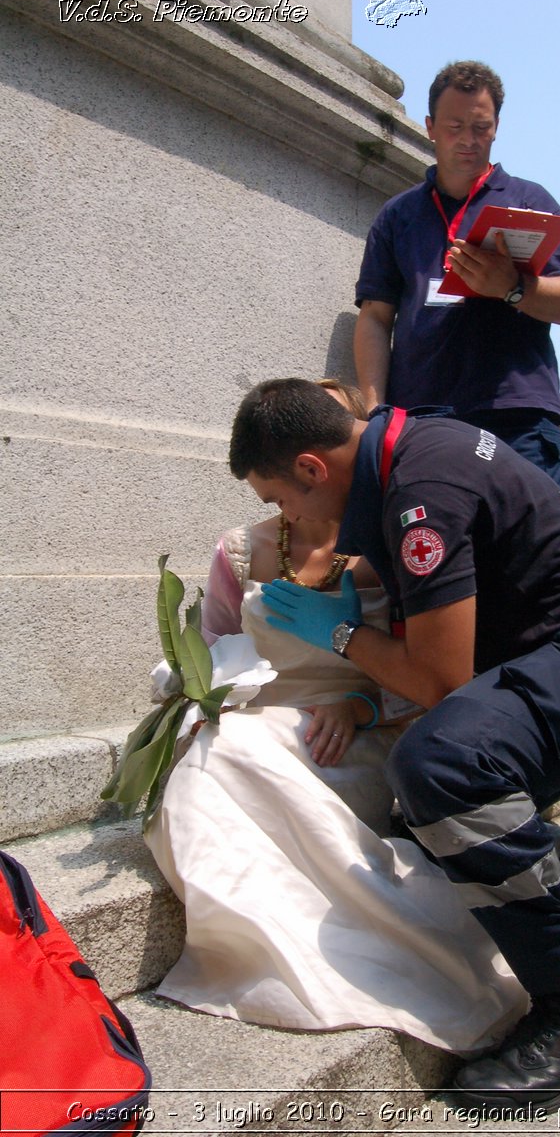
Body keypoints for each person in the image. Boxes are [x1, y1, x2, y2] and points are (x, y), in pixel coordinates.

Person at [232, 379, 560, 1111]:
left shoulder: (419, 490)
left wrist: (339, 632)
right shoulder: (407, 456)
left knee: (440, 767)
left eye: (278, 500)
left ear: (311, 467)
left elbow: (438, 680)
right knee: (426, 822)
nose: (285, 517)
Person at [143, 380, 528, 1052]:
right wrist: (196, 691)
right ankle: (255, 936)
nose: (280, 504)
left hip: (364, 737)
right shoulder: (240, 551)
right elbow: (212, 654)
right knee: (217, 758)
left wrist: (361, 703)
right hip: (255, 723)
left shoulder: (400, 545)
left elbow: (441, 676)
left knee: (239, 762)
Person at [354, 60, 560, 495]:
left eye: (480, 127)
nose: (467, 139)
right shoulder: (398, 216)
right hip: (423, 422)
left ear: (497, 127)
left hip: (518, 418)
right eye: (455, 125)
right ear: (430, 127)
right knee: (436, 559)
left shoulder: (531, 202)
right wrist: (375, 411)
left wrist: (513, 287)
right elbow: (375, 317)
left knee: (537, 559)